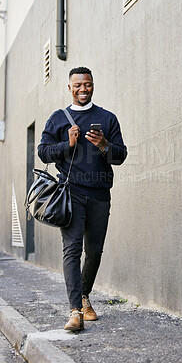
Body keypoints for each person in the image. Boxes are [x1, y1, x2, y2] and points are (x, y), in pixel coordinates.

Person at [38, 66, 127, 331]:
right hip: (71, 194)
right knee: (72, 250)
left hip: (100, 195)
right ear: (69, 88)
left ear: (92, 85)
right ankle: (75, 311)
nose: (82, 89)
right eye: (77, 85)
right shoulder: (58, 119)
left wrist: (103, 145)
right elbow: (43, 152)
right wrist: (67, 145)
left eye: (87, 84)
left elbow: (120, 156)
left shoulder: (107, 118)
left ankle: (84, 296)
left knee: (95, 252)